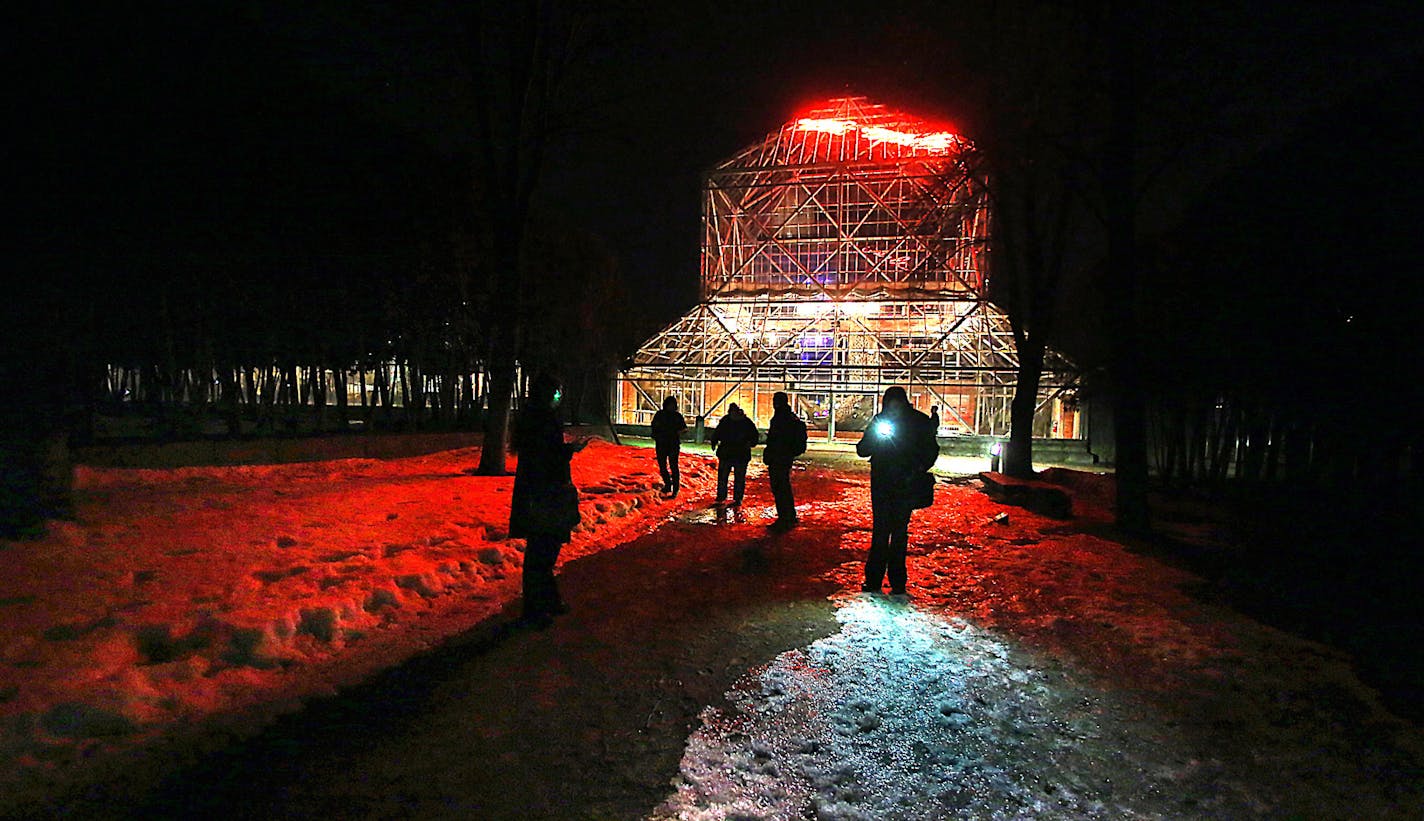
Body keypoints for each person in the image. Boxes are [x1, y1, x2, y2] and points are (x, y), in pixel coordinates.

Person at [508, 373, 589, 628]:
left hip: (540, 493)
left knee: (543, 550)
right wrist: (568, 451)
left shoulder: (535, 418)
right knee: (542, 552)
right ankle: (534, 609)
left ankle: (547, 601)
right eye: (556, 393)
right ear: (546, 394)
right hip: (545, 495)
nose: (559, 397)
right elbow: (545, 457)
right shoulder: (542, 421)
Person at [855, 386, 938, 595]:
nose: (893, 408)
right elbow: (862, 449)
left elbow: (930, 450)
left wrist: (917, 468)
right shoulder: (883, 421)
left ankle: (895, 580)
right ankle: (879, 580)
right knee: (884, 532)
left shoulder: (917, 422)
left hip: (902, 483)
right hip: (886, 484)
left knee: (897, 532)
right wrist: (875, 438)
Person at [762, 391, 807, 530]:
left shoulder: (781, 418)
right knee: (783, 486)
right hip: (784, 456)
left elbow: (776, 439)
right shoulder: (789, 417)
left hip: (779, 456)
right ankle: (788, 515)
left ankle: (784, 517)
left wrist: (771, 451)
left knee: (780, 487)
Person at [707, 403, 759, 506]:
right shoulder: (744, 422)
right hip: (738, 453)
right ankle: (735, 497)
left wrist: (714, 441)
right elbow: (754, 436)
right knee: (736, 477)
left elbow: (717, 433)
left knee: (725, 476)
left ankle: (725, 496)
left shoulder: (728, 421)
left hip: (730, 453)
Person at [649, 396, 688, 496]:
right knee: (663, 466)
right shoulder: (660, 415)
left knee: (673, 465)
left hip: (672, 443)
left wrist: (678, 432)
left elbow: (684, 428)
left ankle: (675, 488)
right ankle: (668, 484)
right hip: (662, 443)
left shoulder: (676, 416)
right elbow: (654, 425)